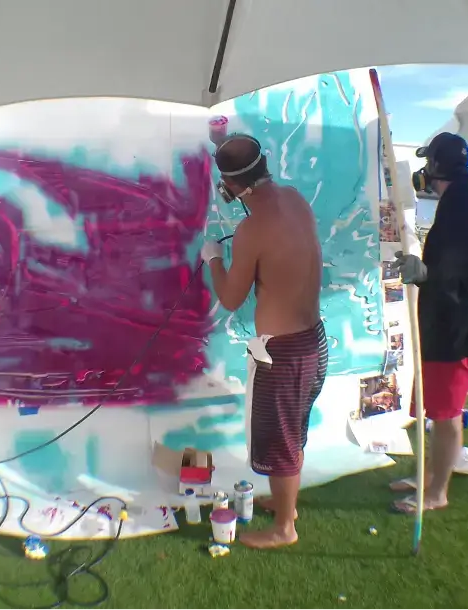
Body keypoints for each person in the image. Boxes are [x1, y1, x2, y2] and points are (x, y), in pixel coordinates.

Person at [200, 134, 328, 549]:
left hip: (284, 354)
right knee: (293, 432)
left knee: (281, 439)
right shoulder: (295, 199)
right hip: (314, 342)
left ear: (229, 186)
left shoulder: (251, 229)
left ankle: (284, 528)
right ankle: (285, 504)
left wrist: (213, 260)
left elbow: (230, 298)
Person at [387, 132, 468, 514]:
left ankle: (437, 492)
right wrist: (428, 272)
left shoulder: (464, 205)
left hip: (456, 330)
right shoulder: (464, 199)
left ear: (436, 166)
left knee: (446, 415)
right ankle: (428, 477)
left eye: (428, 163)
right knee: (435, 410)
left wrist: (426, 275)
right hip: (447, 326)